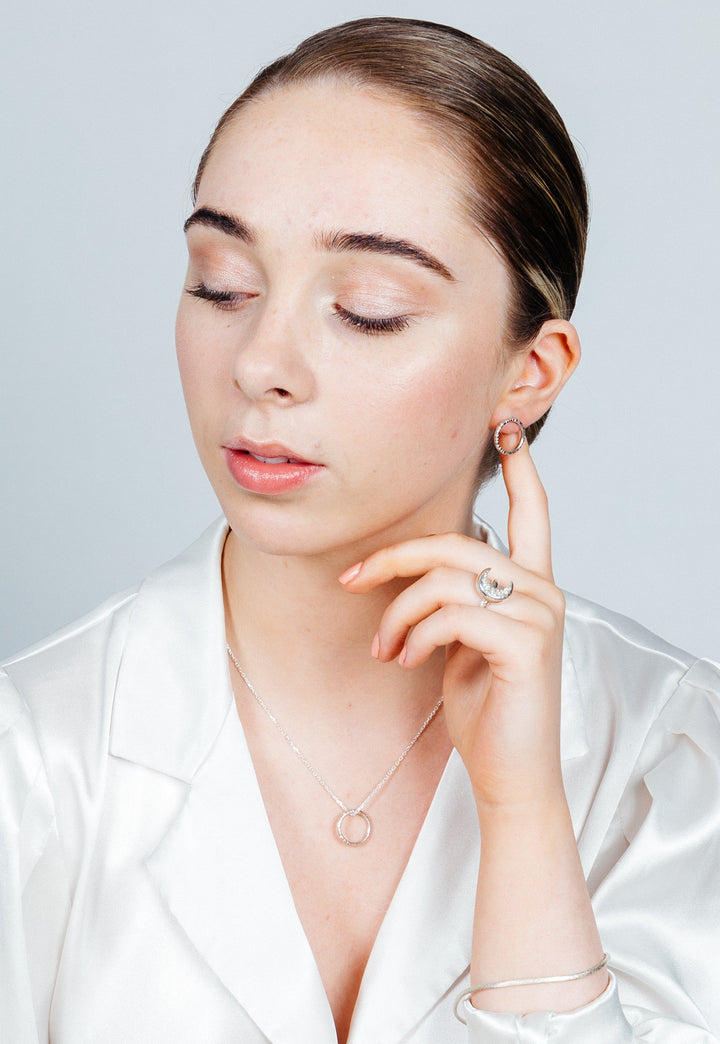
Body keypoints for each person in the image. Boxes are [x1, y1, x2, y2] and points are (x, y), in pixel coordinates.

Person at [1, 16, 718, 1043]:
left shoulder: (676, 764)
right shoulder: (30, 762)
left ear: (531, 371)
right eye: (222, 285)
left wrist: (522, 818)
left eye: (370, 307)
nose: (261, 362)